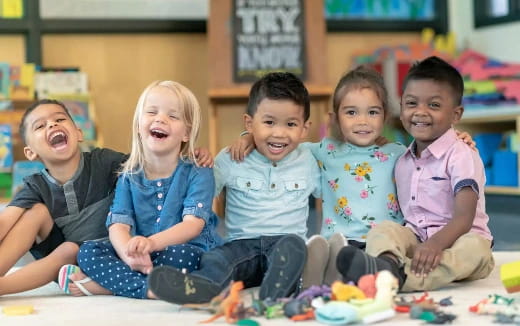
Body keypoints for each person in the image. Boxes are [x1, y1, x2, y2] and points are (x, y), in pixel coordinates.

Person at [228, 66, 476, 288]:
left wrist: (458, 138)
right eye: (351, 112)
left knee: (382, 259)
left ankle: (343, 276)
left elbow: (434, 156)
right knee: (328, 254)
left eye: (373, 112)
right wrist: (248, 136)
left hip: (382, 245)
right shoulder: (323, 151)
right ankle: (325, 273)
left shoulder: (400, 154)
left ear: (385, 116)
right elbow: (279, 140)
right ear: (335, 118)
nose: (362, 121)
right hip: (340, 241)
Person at [147, 72, 321, 304]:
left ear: (304, 128)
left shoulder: (311, 158)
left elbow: (345, 156)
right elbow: (200, 190)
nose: (279, 132)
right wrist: (200, 161)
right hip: (241, 245)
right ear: (249, 123)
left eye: (291, 124)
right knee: (216, 258)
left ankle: (276, 289)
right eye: (268, 122)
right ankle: (201, 286)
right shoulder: (231, 158)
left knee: (295, 249)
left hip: (285, 244)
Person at [336, 56, 494, 292]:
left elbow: (465, 217)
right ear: (400, 109)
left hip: (461, 239)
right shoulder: (402, 160)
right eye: (411, 103)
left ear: (456, 115)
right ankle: (385, 264)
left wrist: (435, 244)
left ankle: (400, 278)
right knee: (384, 230)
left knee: (473, 252)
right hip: (417, 238)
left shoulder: (461, 154)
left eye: (434, 105)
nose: (420, 112)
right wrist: (418, 244)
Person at [61, 80, 222, 299]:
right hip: (139, 255)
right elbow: (118, 224)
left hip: (181, 251)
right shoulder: (129, 175)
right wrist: (128, 255)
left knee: (186, 257)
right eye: (152, 112)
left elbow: (192, 226)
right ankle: (150, 288)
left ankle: (109, 286)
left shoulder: (198, 171)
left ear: (187, 133)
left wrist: (152, 243)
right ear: (138, 124)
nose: (160, 118)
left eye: (173, 116)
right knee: (88, 252)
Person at [0, 99, 127, 296]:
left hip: (109, 254)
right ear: (30, 152)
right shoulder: (36, 185)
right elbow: (4, 223)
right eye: (40, 126)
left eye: (59, 119)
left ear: (78, 133)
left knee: (70, 248)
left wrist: (186, 154)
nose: (52, 124)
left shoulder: (103, 161)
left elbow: (147, 163)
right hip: (62, 267)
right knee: (36, 212)